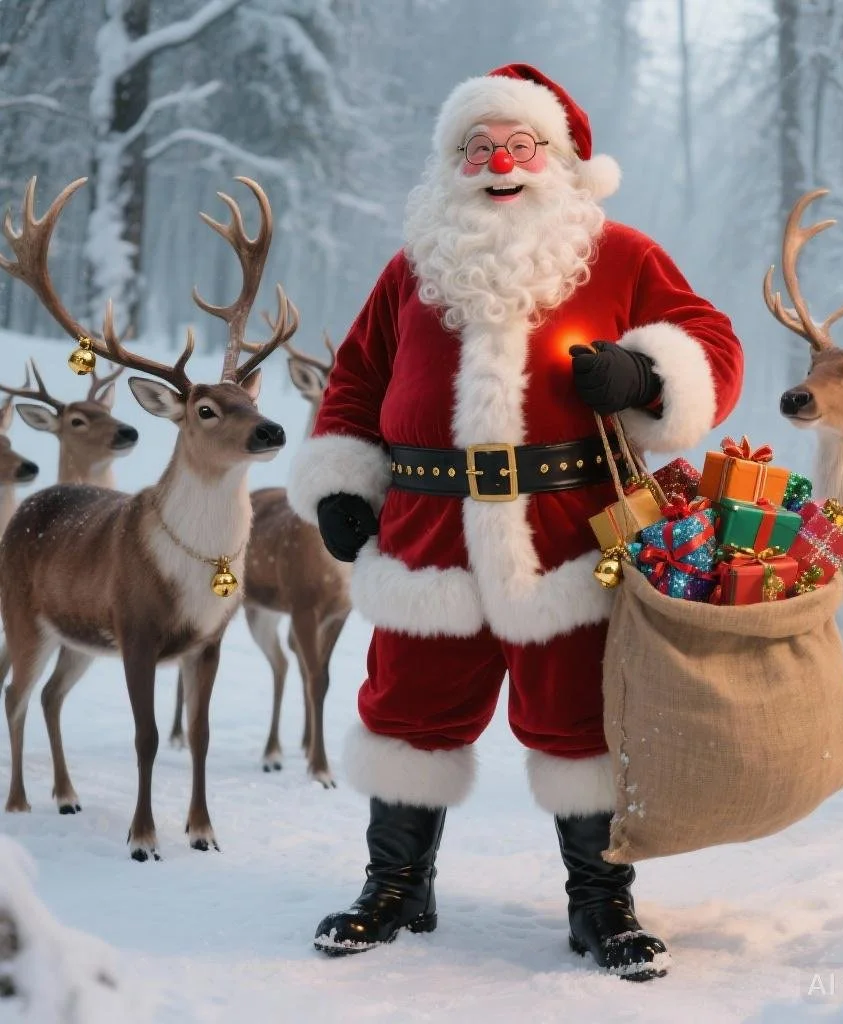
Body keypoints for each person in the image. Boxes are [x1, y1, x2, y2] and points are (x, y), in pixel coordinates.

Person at [287, 63, 743, 981]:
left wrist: (646, 377)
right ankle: (395, 883)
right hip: (428, 528)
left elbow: (714, 347)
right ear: (451, 163)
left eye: (521, 146)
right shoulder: (414, 266)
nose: (500, 163)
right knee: (408, 709)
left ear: (561, 160)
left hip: (572, 529)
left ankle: (601, 900)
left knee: (582, 717)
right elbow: (356, 382)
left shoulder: (620, 256)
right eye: (479, 148)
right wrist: (340, 481)